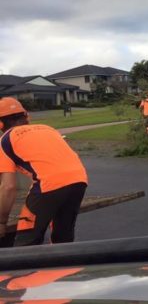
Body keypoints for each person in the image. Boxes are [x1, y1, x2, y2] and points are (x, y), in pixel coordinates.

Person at [0, 97, 88, 246]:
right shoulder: (48, 129)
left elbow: (8, 187)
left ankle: (25, 266)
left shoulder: (6, 140)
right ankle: (66, 267)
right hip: (79, 179)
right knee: (62, 236)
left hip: (48, 185)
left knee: (27, 240)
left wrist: (1, 222)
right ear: (26, 116)